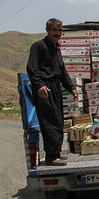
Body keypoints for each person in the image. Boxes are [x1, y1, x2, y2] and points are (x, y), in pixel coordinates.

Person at [26, 18, 78, 166]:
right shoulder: (38, 46)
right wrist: (39, 85)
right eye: (55, 30)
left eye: (60, 30)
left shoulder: (57, 49)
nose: (58, 33)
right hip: (44, 89)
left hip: (55, 87)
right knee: (49, 122)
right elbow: (32, 68)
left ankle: (56, 152)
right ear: (48, 30)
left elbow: (62, 72)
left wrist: (72, 88)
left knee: (58, 120)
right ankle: (50, 156)